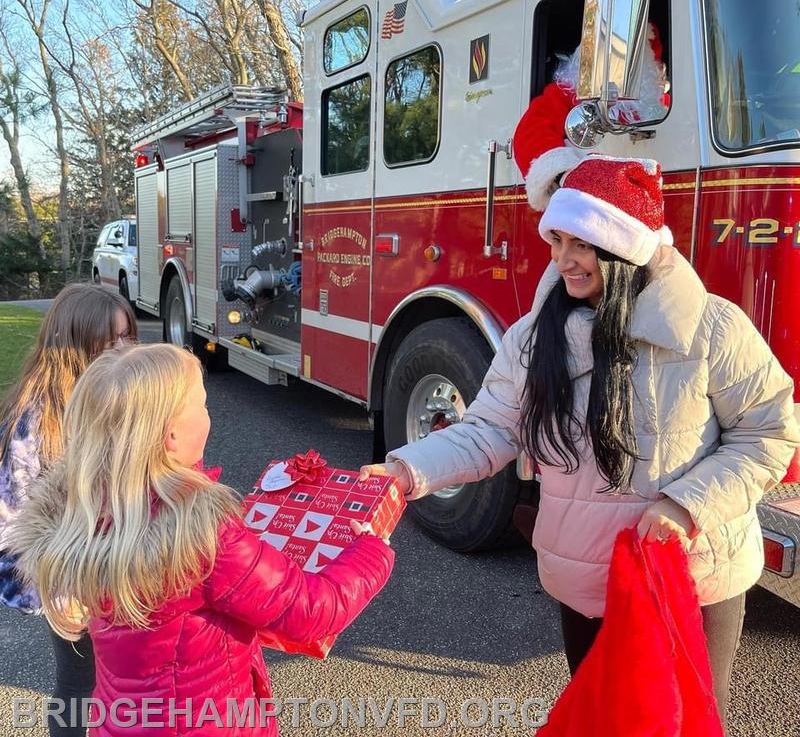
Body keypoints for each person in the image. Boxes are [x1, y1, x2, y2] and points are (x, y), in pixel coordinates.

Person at [361, 152, 799, 730]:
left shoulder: (713, 329)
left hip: (693, 577)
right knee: (601, 720)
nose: (564, 260)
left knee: (683, 722)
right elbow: (490, 430)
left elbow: (767, 434)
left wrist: (686, 505)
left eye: (582, 244)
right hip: (584, 581)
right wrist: (405, 471)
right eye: (557, 241)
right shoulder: (531, 337)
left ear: (624, 247)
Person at [10, 343, 394, 736]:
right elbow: (313, 610)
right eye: (203, 404)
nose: (209, 415)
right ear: (171, 434)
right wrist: (371, 551)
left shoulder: (85, 515)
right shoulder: (204, 538)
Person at [0, 284, 137, 737]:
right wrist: (53, 595)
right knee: (81, 687)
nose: (124, 350)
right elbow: (10, 526)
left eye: (128, 337)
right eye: (111, 341)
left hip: (130, 574)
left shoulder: (120, 398)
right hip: (72, 589)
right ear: (75, 343)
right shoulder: (34, 423)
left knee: (133, 683)